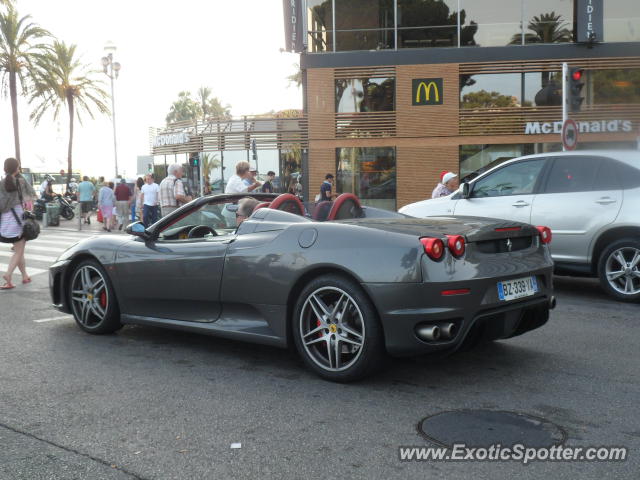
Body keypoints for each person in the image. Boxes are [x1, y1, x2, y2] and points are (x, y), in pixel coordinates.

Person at [0, 158, 36, 289]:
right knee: (19, 250)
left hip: (6, 221)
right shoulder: (21, 181)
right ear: (17, 168)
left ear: (4, 168)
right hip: (18, 219)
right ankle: (8, 275)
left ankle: (25, 275)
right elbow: (32, 194)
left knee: (18, 249)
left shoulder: (2, 183)